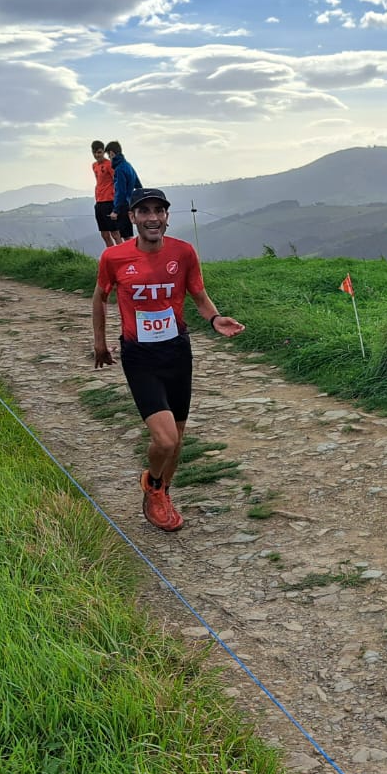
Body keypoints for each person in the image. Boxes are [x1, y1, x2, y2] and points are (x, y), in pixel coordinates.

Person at [91, 188, 244, 533]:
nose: (152, 218)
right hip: (140, 355)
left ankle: (161, 492)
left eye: (158, 211)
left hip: (177, 352)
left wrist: (215, 319)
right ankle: (153, 483)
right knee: (165, 441)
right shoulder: (114, 258)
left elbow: (199, 295)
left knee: (177, 438)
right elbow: (100, 297)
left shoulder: (183, 252)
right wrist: (100, 343)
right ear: (132, 218)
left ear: (166, 217)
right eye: (143, 211)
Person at [104, 141, 139, 241]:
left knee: (126, 236)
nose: (109, 159)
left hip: (123, 206)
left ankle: (131, 256)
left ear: (111, 153)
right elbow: (138, 184)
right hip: (130, 204)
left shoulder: (119, 169)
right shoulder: (128, 165)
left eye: (109, 156)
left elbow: (120, 191)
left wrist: (115, 211)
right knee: (128, 233)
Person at [92, 139, 121, 247]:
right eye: (94, 152)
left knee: (115, 233)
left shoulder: (109, 164)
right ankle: (111, 257)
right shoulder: (94, 165)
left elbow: (117, 180)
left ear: (103, 152)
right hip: (99, 202)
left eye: (99, 152)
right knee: (104, 234)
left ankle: (122, 255)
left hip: (109, 201)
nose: (96, 155)